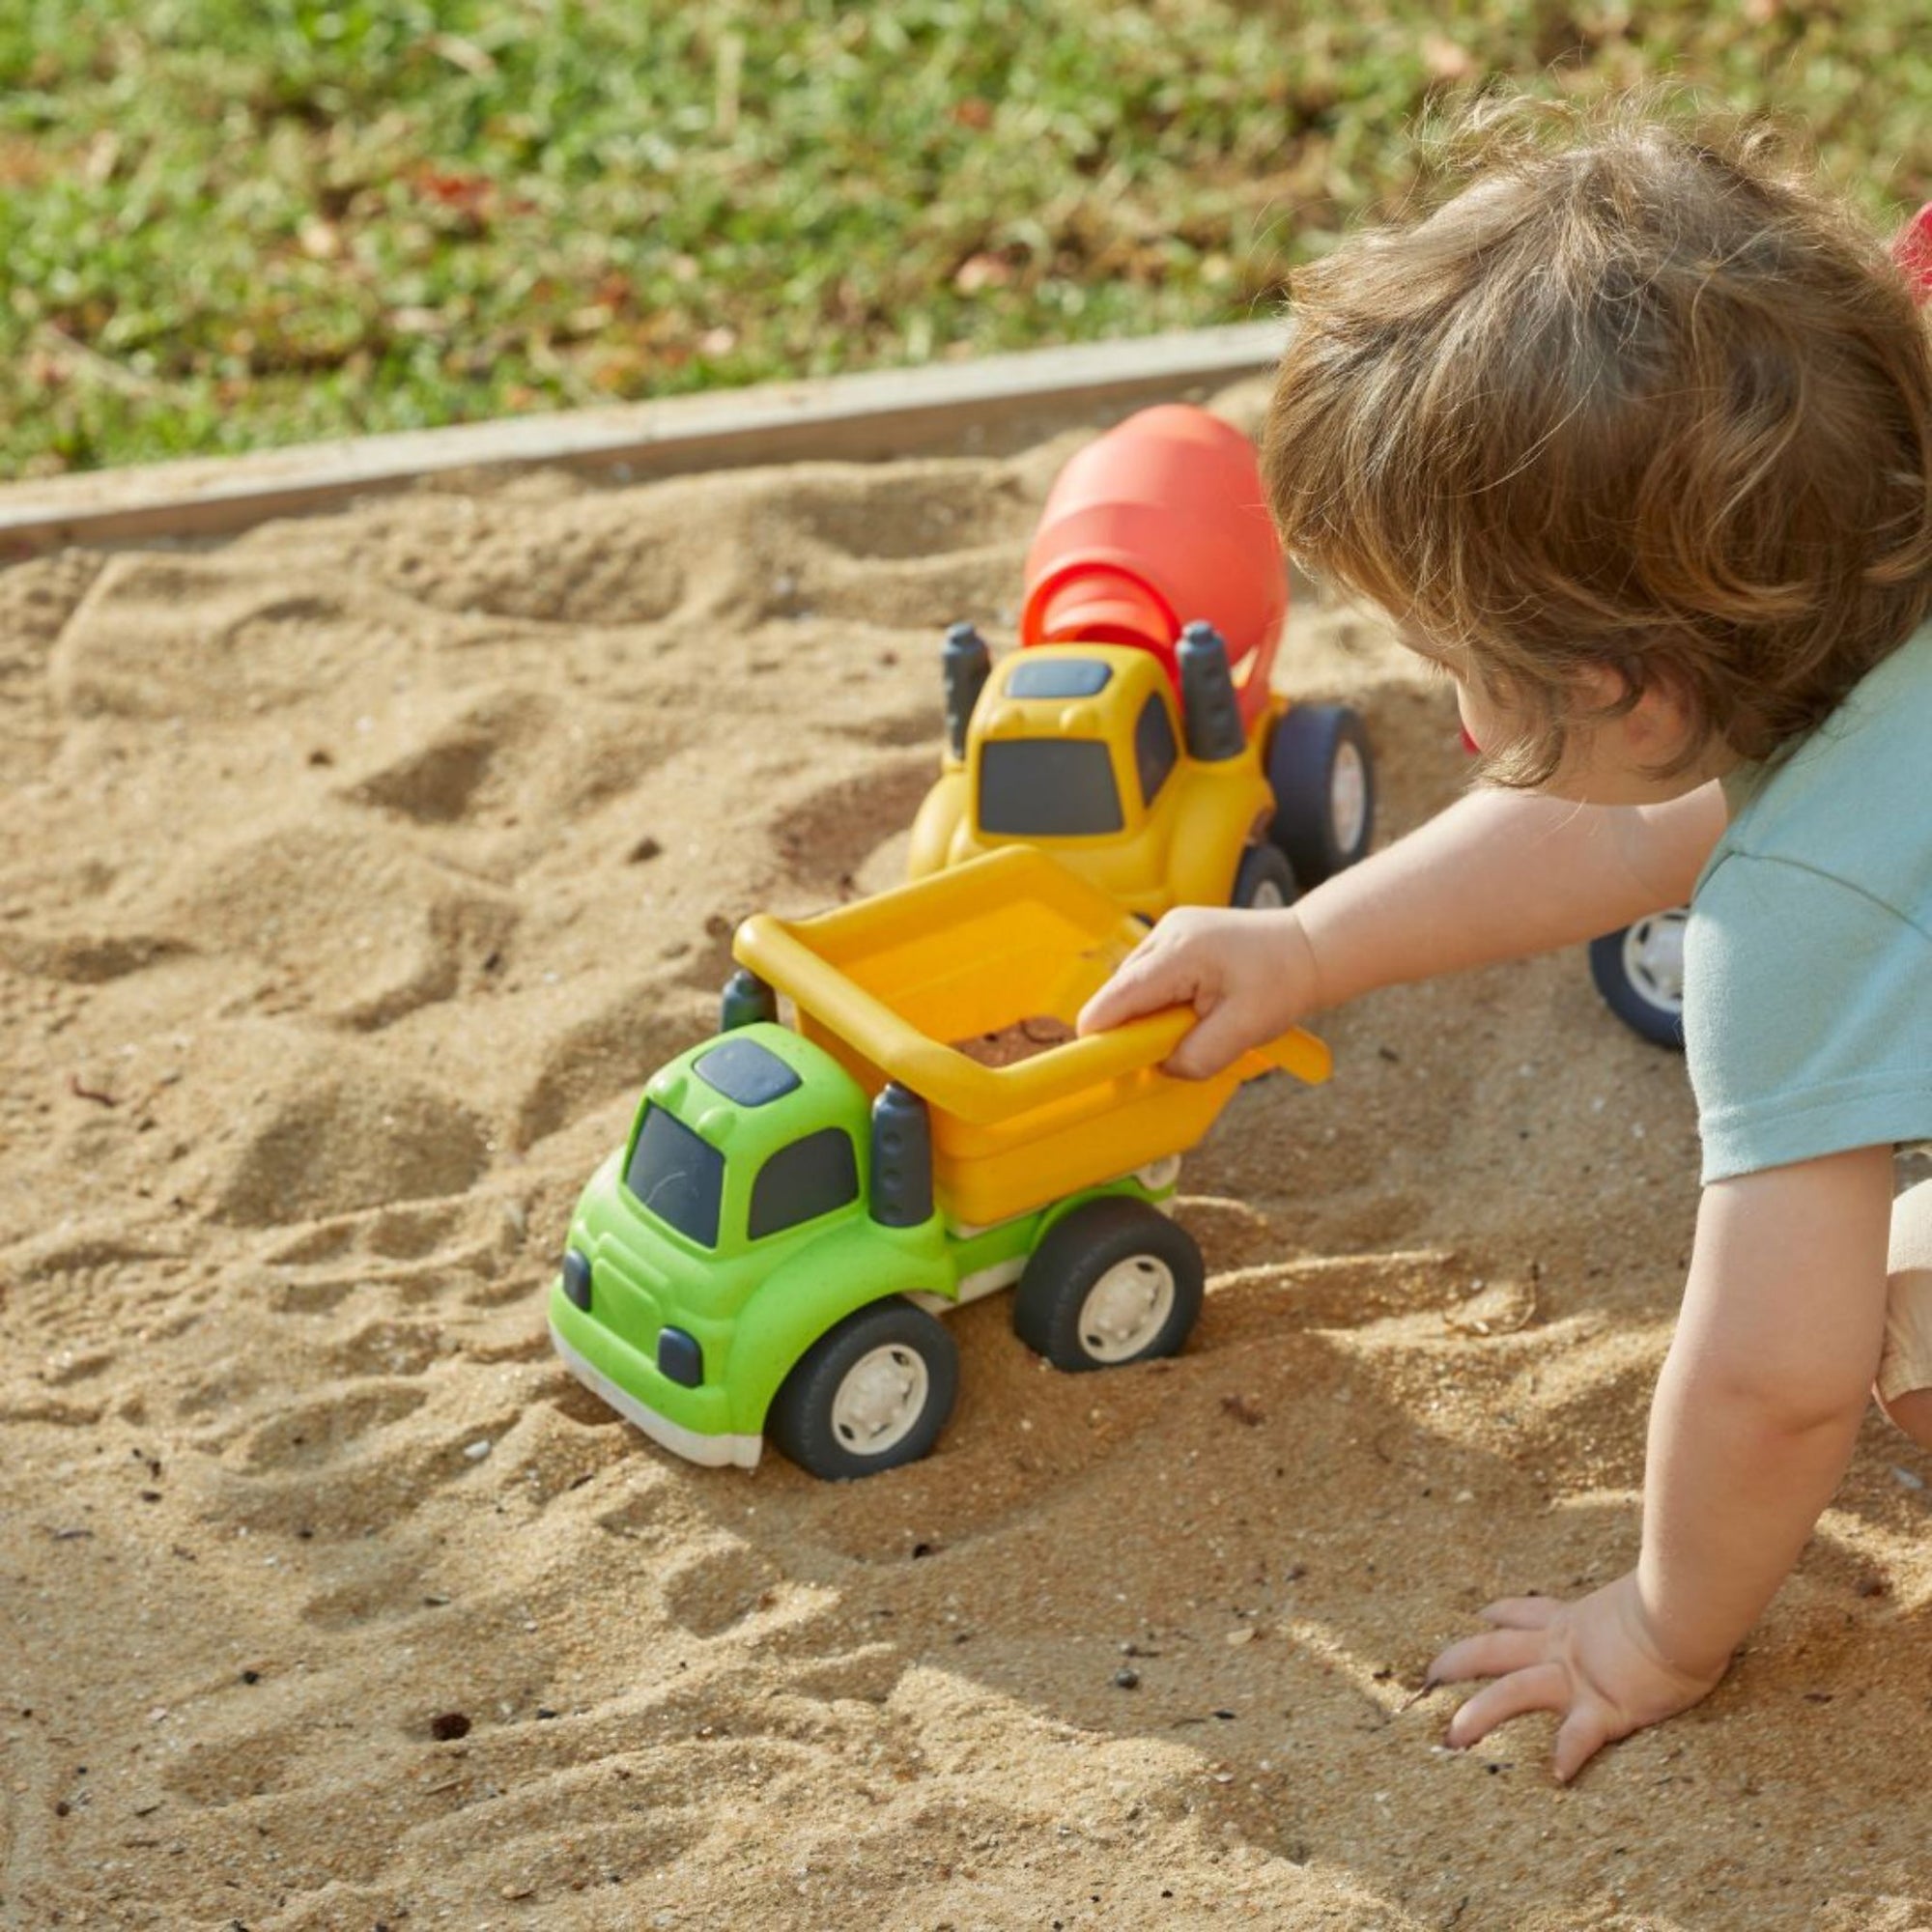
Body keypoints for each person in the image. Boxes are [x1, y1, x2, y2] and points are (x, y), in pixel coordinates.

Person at [1077, 94, 1932, 1781]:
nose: (1458, 717)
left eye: (1460, 672)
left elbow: (1777, 1380)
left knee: (1907, 1323)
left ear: (1631, 694)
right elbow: (1628, 812)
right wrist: (1307, 950)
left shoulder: (1804, 903)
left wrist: (1659, 1627)